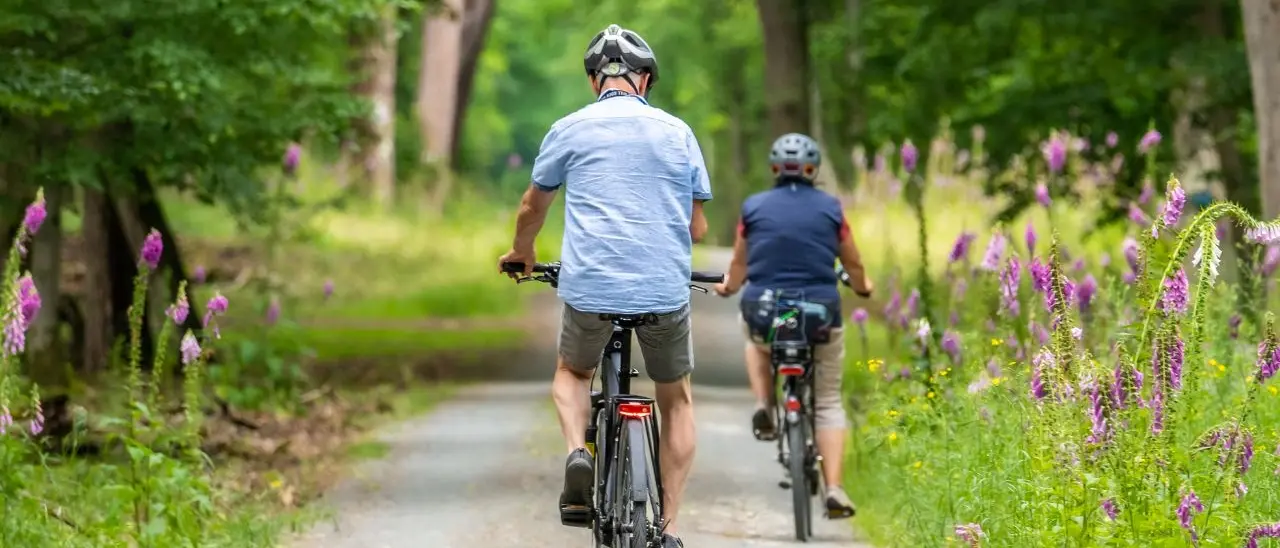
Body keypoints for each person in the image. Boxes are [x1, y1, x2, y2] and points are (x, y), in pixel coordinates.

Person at [496, 23, 712, 548]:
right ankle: (668, 528)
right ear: (646, 80)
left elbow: (533, 206)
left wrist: (523, 252)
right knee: (676, 399)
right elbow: (697, 228)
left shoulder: (569, 129)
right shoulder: (677, 132)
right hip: (663, 291)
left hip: (590, 288)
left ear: (596, 81)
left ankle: (578, 453)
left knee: (572, 372)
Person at [713, 132, 872, 520]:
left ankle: (765, 404)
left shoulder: (753, 207)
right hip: (819, 313)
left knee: (755, 340)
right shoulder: (832, 208)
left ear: (773, 169)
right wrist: (864, 287)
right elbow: (852, 263)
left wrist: (729, 287)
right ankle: (834, 487)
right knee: (830, 401)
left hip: (767, 311)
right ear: (812, 169)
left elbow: (739, 264)